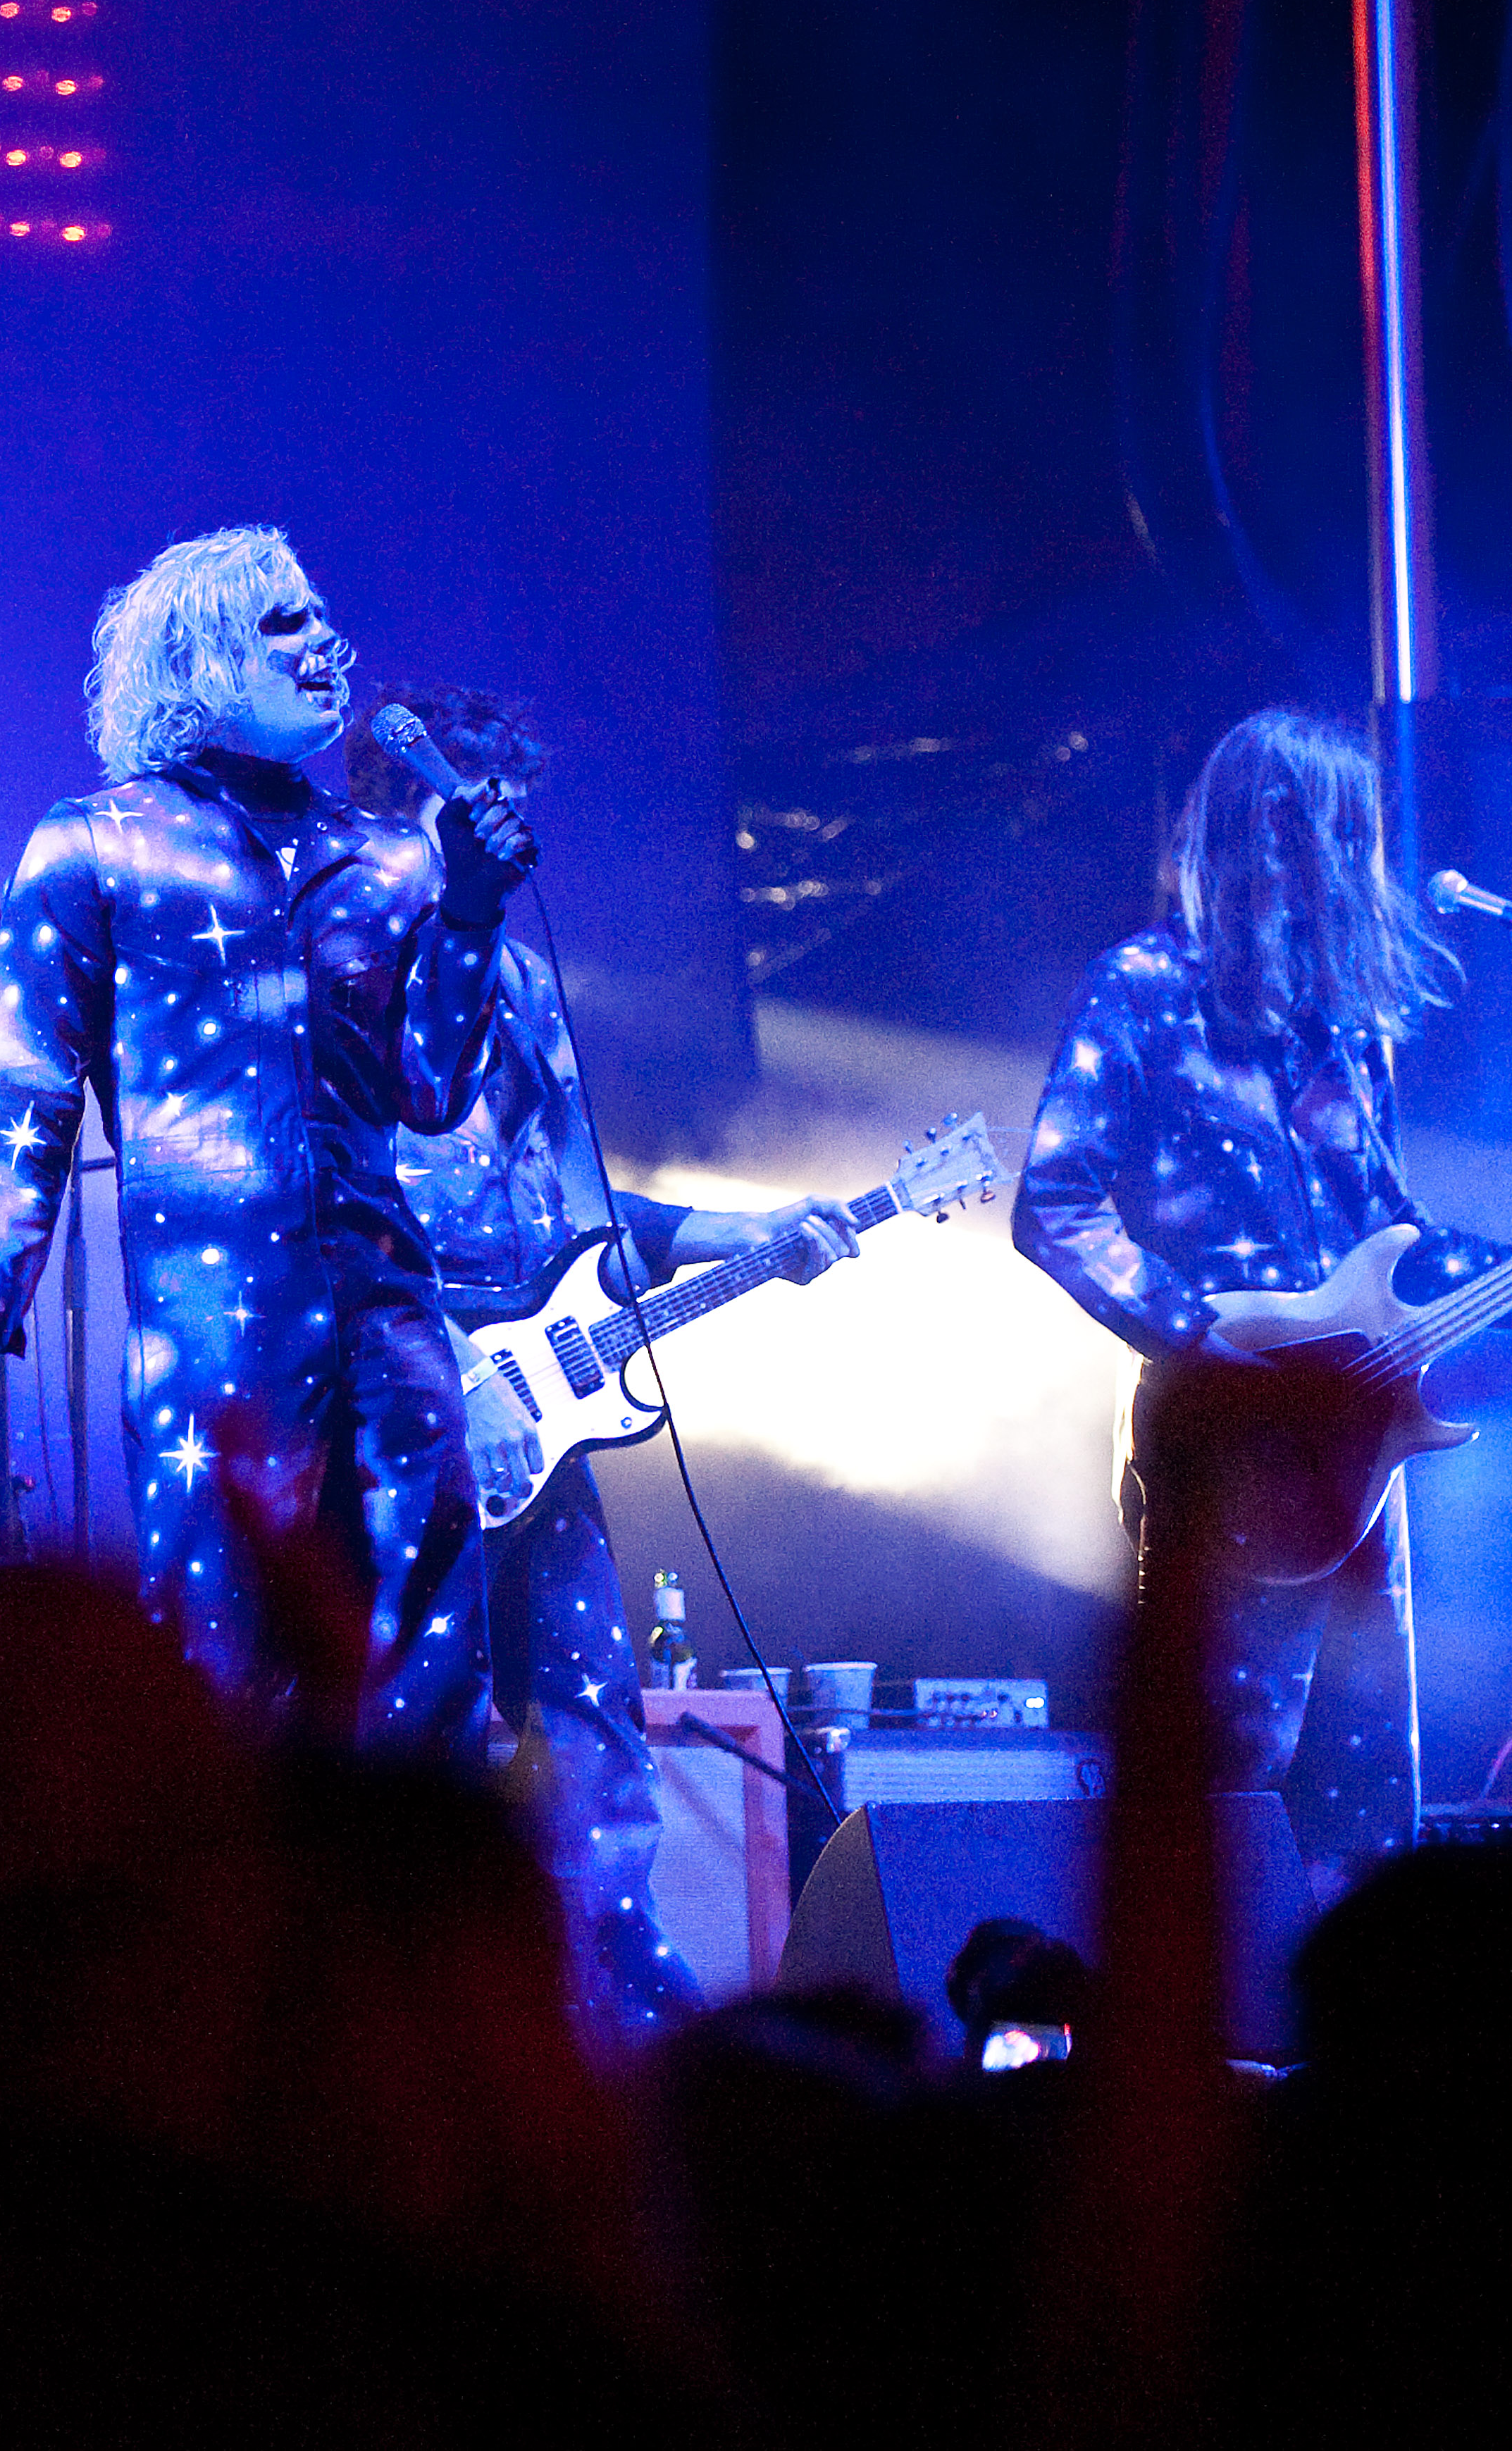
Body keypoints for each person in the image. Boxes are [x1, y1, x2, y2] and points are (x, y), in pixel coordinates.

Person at [0, 527, 536, 1757]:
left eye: (321, 617)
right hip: (215, 1364)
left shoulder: (391, 858)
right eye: (281, 623)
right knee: (227, 1706)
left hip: (392, 1339)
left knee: (430, 1723)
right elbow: (26, 1098)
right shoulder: (97, 844)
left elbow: (433, 1091)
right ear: (195, 659)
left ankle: (424, 1945)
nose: (324, 645)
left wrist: (468, 908)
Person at [1012, 707, 1512, 1883]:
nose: (1344, 866)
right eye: (1324, 832)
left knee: (1365, 1799)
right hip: (1225, 1447)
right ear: (1260, 831)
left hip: (1360, 1459)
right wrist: (1203, 1334)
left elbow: (1395, 1243)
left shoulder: (1346, 1032)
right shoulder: (1144, 988)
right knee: (1226, 1790)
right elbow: (1053, 1201)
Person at [345, 683, 860, 2030]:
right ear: (409, 817)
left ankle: (631, 2047)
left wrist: (757, 1237)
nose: (508, 828)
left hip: (544, 1414)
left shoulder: (517, 978)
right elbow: (328, 1209)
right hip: (412, 1404)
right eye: (478, 803)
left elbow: (591, 1222)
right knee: (423, 1748)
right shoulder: (344, 964)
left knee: (596, 1738)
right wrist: (458, 1369)